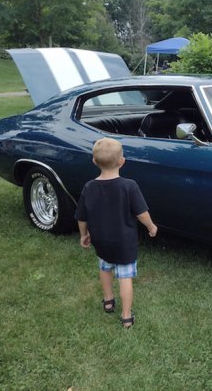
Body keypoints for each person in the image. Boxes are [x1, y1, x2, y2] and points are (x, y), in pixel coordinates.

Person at [76, 138, 158, 328]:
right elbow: (141, 213)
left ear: (94, 162)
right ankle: (126, 315)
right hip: (124, 243)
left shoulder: (89, 187)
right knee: (125, 278)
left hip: (101, 241)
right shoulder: (129, 186)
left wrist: (83, 234)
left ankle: (108, 300)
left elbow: (82, 216)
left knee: (105, 270)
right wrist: (151, 226)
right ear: (122, 161)